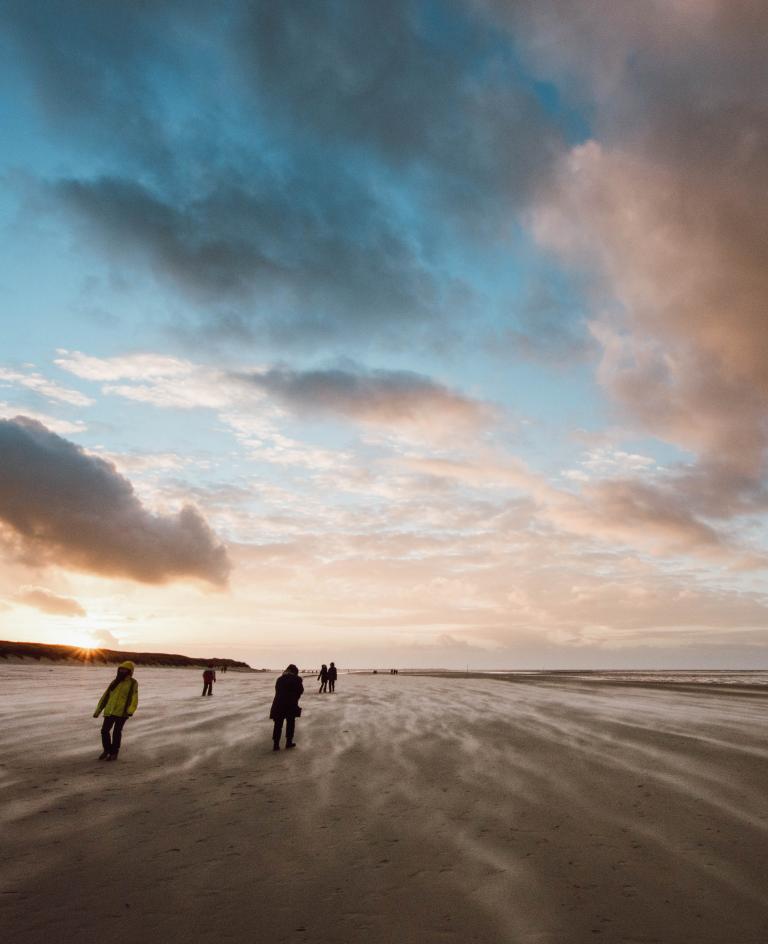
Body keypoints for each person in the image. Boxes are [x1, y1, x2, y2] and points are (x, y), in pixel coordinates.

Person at [93, 661, 139, 761]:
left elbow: (134, 697)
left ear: (130, 671)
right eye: (120, 669)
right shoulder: (114, 681)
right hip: (109, 711)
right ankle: (107, 750)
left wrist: (130, 710)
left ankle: (114, 753)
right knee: (104, 731)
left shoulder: (133, 683)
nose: (122, 671)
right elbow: (105, 696)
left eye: (124, 669)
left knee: (117, 732)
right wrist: (98, 710)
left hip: (122, 713)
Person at [270, 664, 303, 751]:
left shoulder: (280, 679)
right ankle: (289, 742)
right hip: (291, 704)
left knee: (278, 724)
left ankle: (276, 744)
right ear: (295, 672)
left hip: (278, 703)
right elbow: (300, 691)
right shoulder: (297, 679)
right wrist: (295, 697)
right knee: (290, 723)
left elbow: (277, 690)